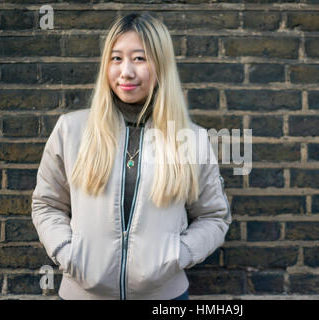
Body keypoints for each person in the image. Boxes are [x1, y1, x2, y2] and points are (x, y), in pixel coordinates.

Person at [31, 12, 232, 300]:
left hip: (165, 298)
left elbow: (214, 217)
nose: (126, 71)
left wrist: (179, 254)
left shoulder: (192, 139)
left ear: (161, 66)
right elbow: (47, 204)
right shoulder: (71, 130)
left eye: (139, 58)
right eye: (116, 58)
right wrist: (67, 252)